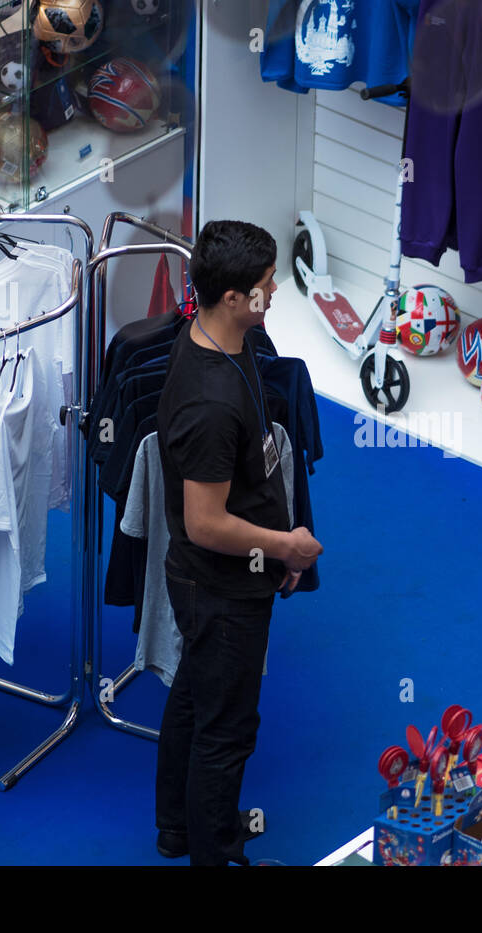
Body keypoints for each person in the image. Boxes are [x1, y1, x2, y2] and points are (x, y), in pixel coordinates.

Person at [154, 219, 323, 866]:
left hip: (223, 578)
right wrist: (284, 547)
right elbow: (205, 523)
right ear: (231, 298)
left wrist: (272, 544)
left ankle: (178, 829)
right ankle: (215, 852)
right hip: (220, 587)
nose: (273, 291)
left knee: (196, 697)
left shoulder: (230, 339)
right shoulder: (210, 403)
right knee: (227, 731)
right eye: (262, 285)